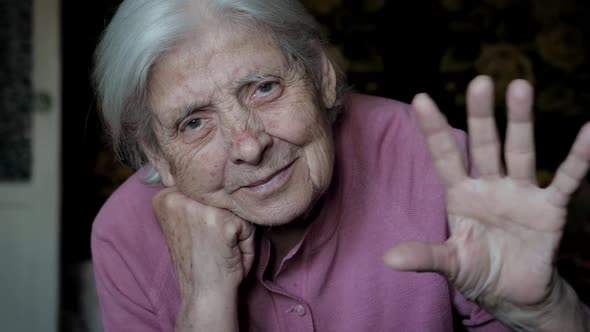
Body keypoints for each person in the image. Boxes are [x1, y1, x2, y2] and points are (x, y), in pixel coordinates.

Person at [90, 0, 590, 331]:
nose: (248, 146)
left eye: (264, 87)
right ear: (158, 156)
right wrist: (204, 303)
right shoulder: (124, 234)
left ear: (322, 76)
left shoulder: (435, 164)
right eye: (194, 122)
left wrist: (547, 311)